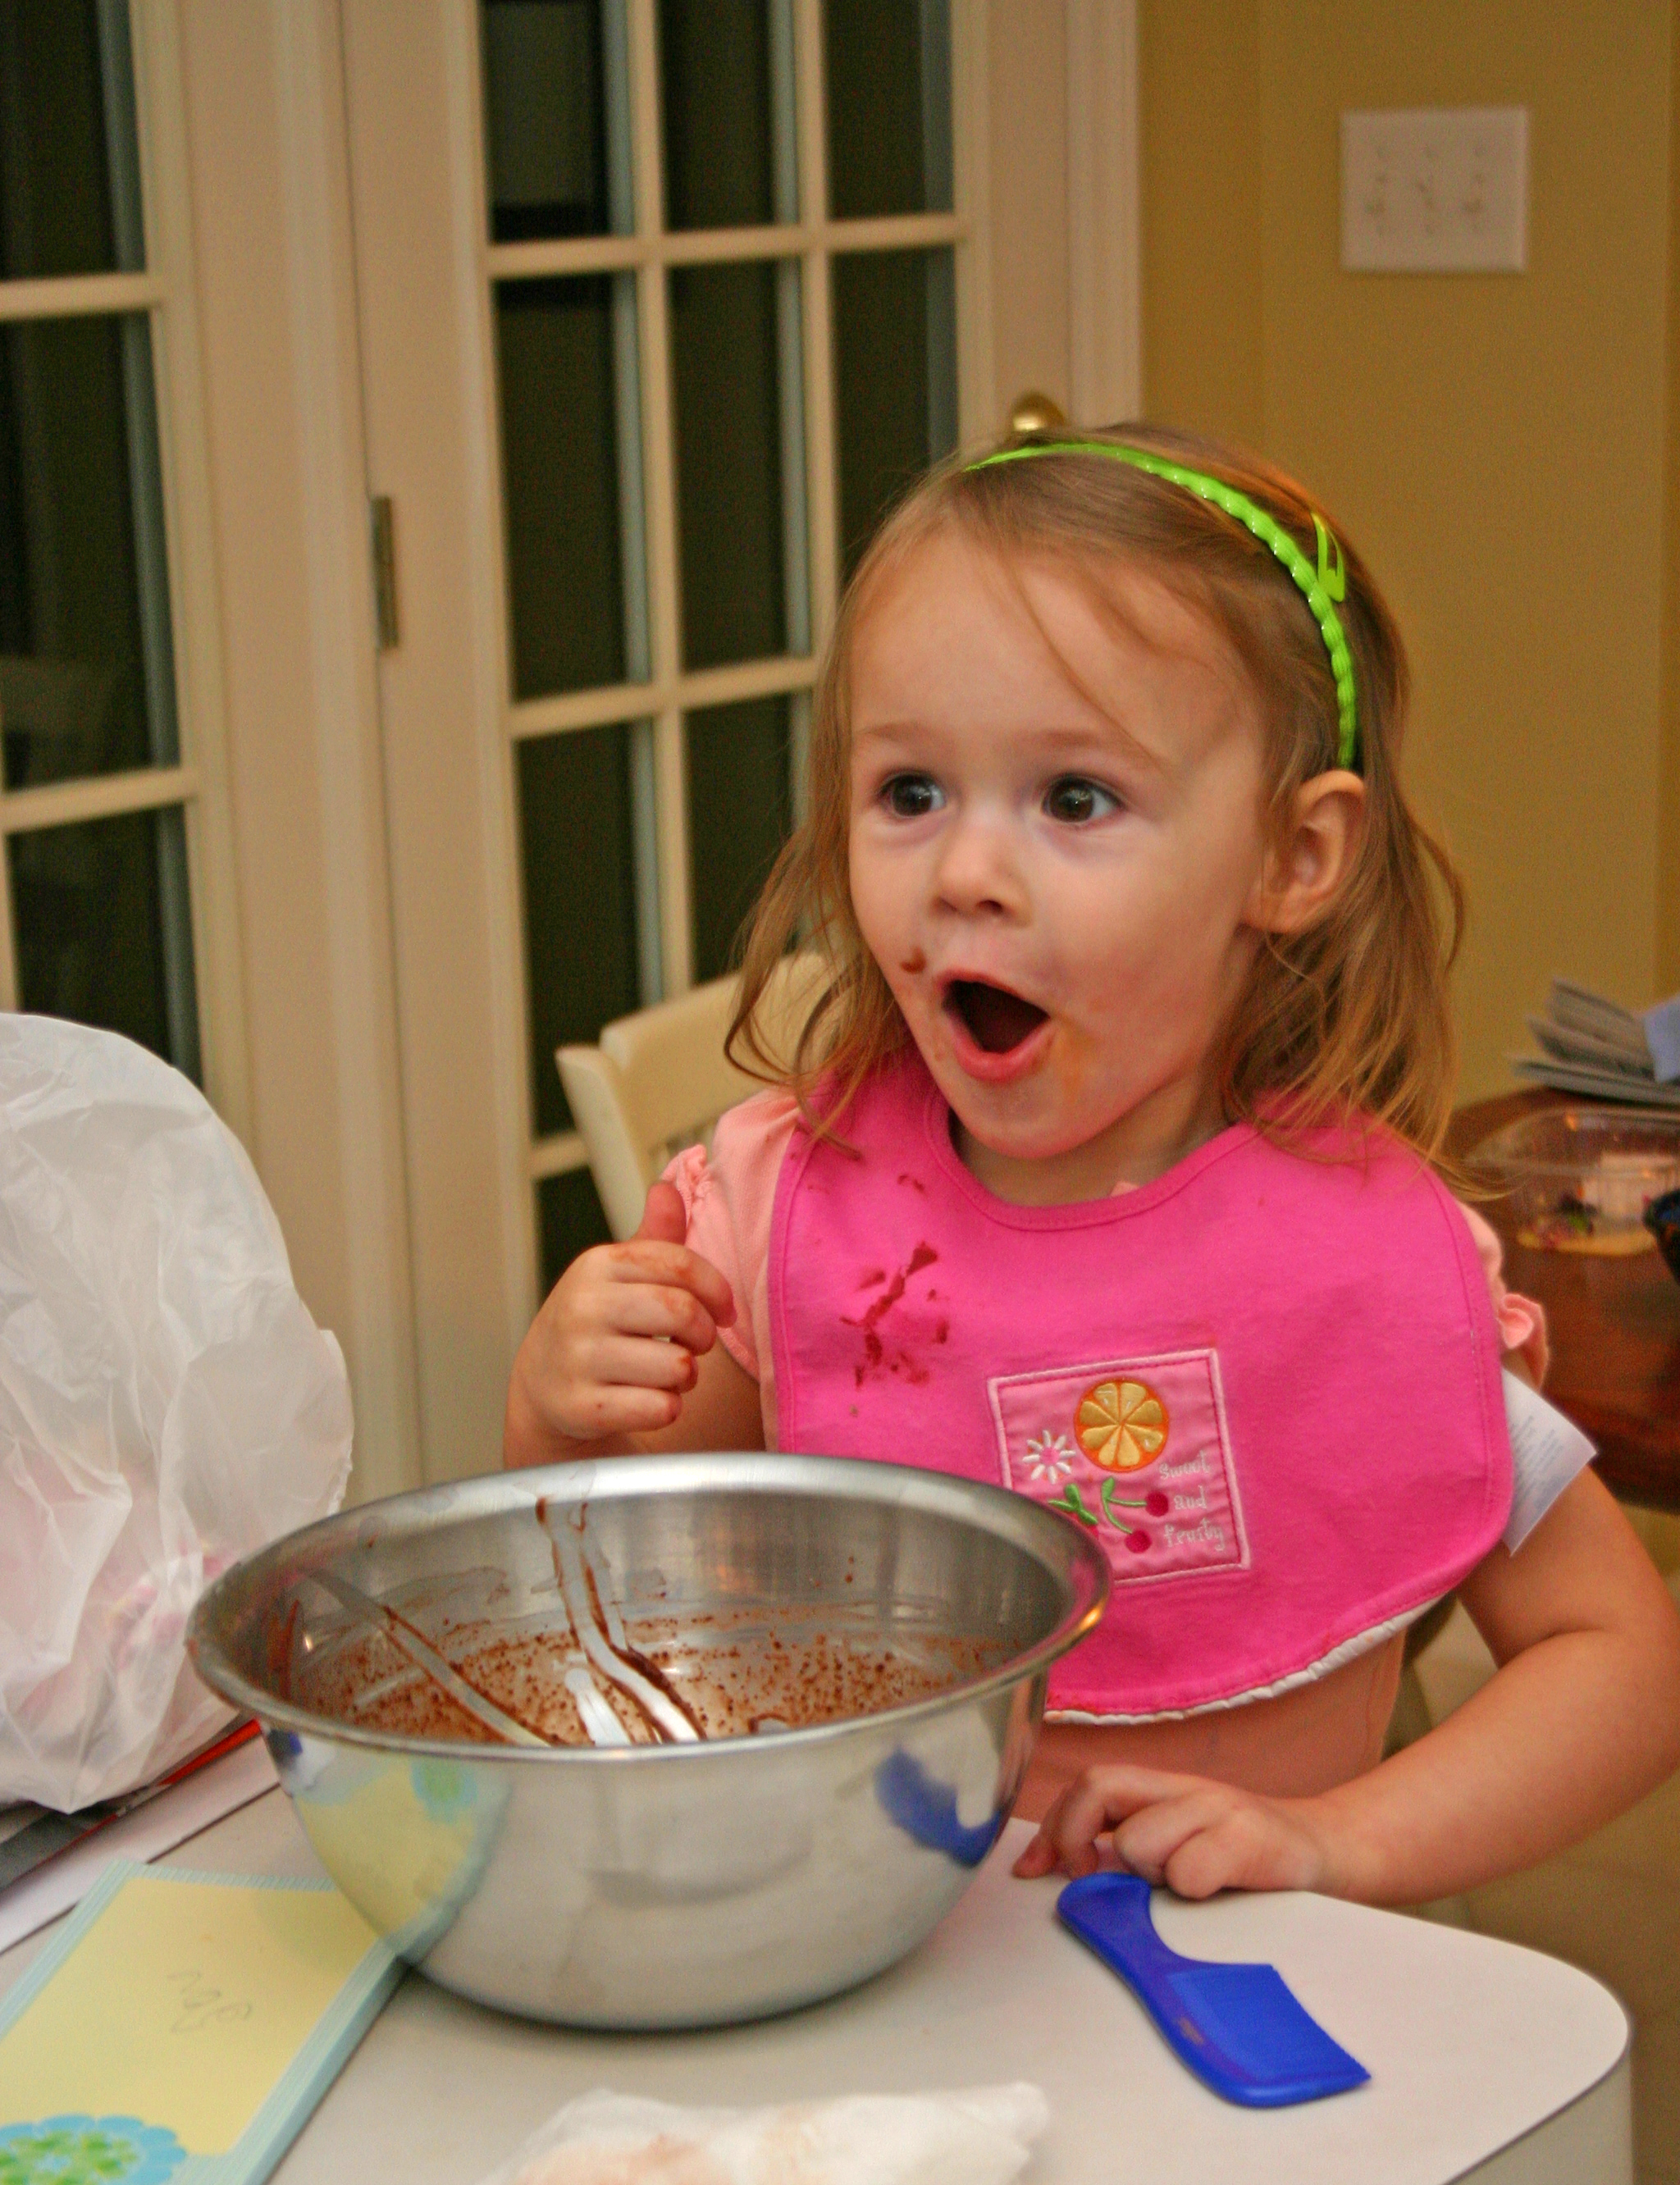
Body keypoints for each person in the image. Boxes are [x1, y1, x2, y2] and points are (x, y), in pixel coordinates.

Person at [505, 425, 1680, 1909]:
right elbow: (610, 1593)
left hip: (1255, 1979)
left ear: (1293, 859)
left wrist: (1341, 1840)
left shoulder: (1372, 1259)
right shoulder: (782, 1218)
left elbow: (1622, 1663)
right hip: (876, 1960)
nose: (964, 873)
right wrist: (554, 1413)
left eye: (1074, 800)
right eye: (910, 792)